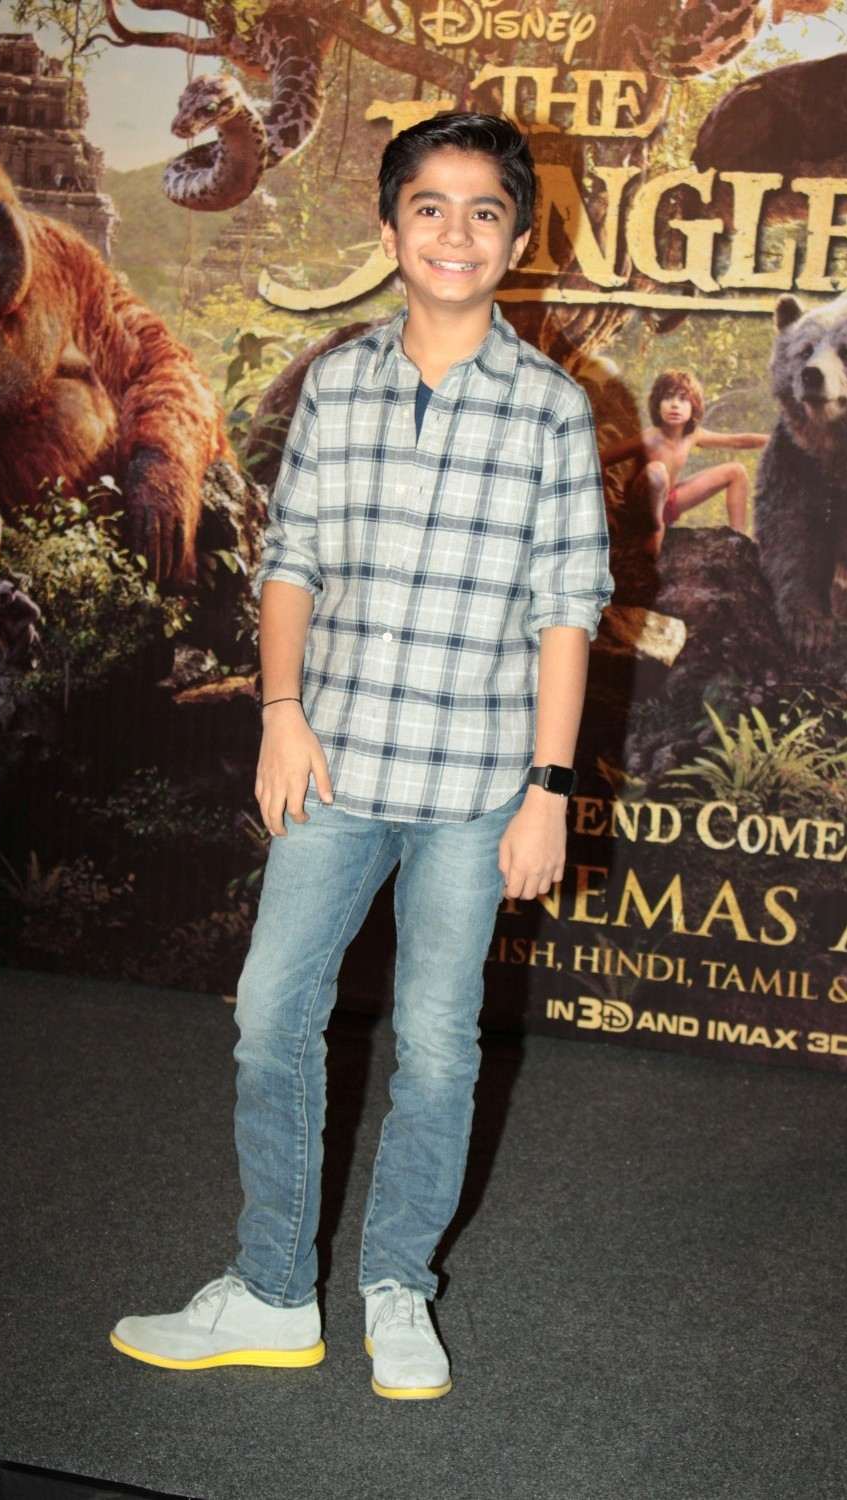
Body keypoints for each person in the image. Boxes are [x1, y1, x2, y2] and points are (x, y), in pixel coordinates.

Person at [109, 112, 613, 1400]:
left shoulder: (554, 413)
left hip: (474, 789)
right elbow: (293, 563)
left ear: (516, 240)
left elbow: (566, 613)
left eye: (485, 211)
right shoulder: (337, 386)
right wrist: (278, 711)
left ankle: (397, 1287)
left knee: (438, 1048)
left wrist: (548, 791)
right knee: (270, 1019)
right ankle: (274, 1293)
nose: (455, 232)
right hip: (332, 766)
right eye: (428, 206)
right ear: (389, 232)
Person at [601, 369, 767, 556]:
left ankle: (738, 540)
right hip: (641, 509)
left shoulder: (692, 435)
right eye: (668, 398)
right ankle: (655, 530)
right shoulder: (650, 437)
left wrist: (776, 440)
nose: (675, 405)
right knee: (657, 471)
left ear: (694, 407)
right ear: (657, 405)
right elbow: (600, 459)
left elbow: (738, 441)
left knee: (736, 471)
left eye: (683, 399)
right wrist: (605, 508)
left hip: (668, 502)